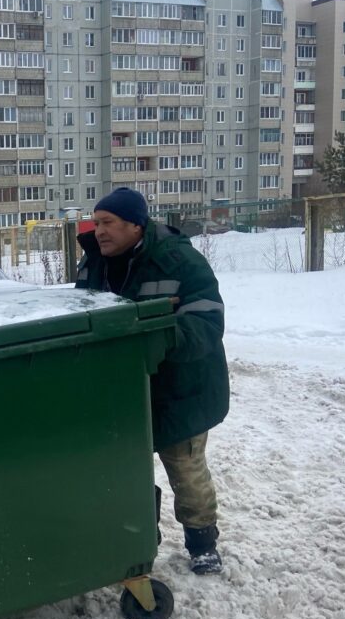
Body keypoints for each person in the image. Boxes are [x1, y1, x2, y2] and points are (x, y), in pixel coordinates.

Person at [75, 187, 230, 574]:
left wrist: (153, 336)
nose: (99, 232)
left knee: (186, 469)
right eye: (96, 223)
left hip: (181, 390)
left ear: (136, 225)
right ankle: (142, 537)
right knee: (128, 471)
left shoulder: (180, 262)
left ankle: (202, 543)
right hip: (125, 392)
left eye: (108, 223)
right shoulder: (93, 263)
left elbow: (207, 322)